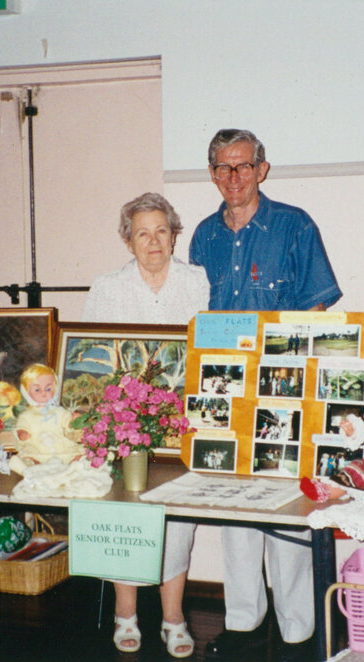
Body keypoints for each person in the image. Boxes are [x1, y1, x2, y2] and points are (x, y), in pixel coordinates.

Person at [189, 129, 341, 662]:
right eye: (223, 168)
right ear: (212, 173)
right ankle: (243, 621)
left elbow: (317, 314)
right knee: (235, 511)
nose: (234, 178)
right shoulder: (203, 236)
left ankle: (298, 630)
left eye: (244, 166)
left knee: (284, 508)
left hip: (283, 389)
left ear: (263, 169)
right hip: (223, 393)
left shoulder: (295, 226)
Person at [82, 191, 209, 658]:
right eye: (142, 233)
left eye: (161, 230)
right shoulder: (107, 287)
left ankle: (174, 619)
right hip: (124, 419)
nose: (153, 241)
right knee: (126, 512)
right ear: (127, 240)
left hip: (182, 421)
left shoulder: (199, 282)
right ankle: (126, 615)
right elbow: (91, 358)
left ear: (174, 235)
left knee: (177, 515)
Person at [13, 363, 83, 465]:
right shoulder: (27, 415)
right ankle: (36, 465)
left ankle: (73, 463)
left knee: (80, 453)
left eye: (48, 389)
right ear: (26, 392)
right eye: (37, 389)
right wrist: (22, 433)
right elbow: (21, 426)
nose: (43, 393)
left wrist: (73, 421)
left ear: (55, 389)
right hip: (38, 450)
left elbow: (68, 426)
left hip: (61, 450)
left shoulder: (60, 411)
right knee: (27, 456)